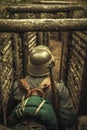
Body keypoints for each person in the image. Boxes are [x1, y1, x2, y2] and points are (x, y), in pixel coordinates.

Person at [6, 45, 77, 130]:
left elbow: (9, 115)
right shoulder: (59, 88)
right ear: (51, 65)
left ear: (29, 65)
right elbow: (69, 120)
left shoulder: (17, 86)